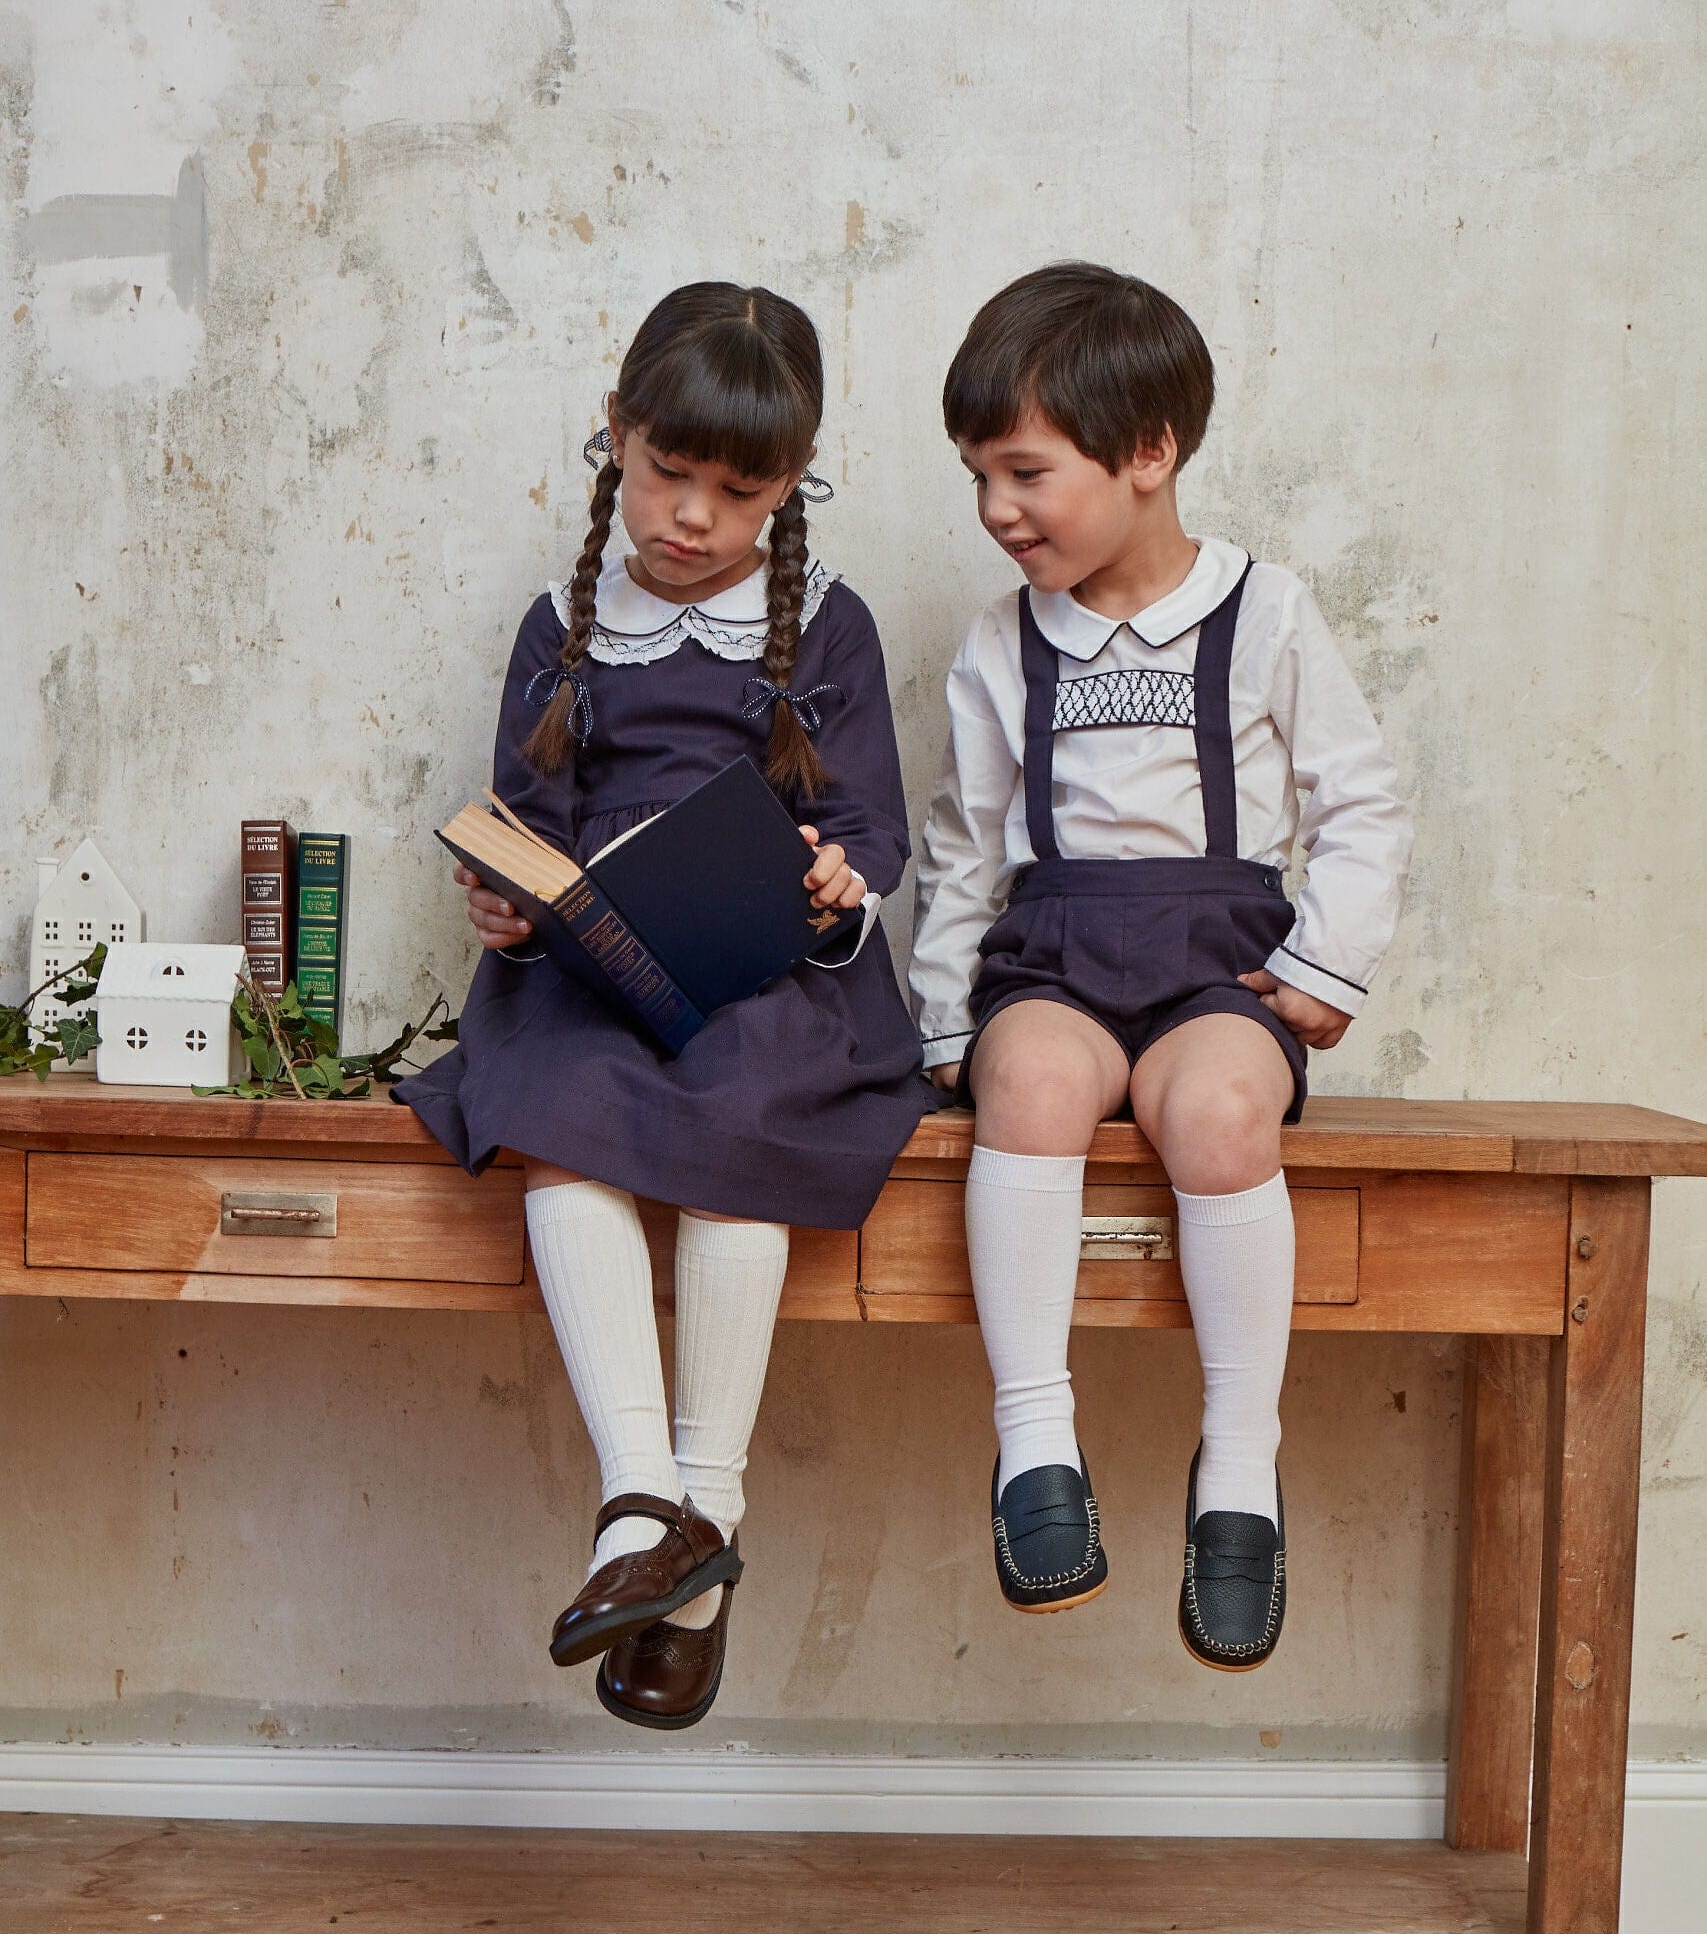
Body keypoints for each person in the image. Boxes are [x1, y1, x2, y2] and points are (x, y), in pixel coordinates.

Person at [398, 282, 931, 1729]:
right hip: (595, 971)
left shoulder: (826, 623)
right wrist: (506, 898)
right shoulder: (562, 625)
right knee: (559, 1111)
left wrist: (833, 879)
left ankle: (696, 1516)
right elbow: (522, 818)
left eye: (735, 491)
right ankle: (652, 1510)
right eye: (664, 474)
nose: (691, 516)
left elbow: (875, 829)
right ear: (612, 438)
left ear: (790, 488)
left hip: (768, 966)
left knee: (743, 1114)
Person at [910, 263, 1412, 1669]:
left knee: (1220, 1116)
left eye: (1024, 472)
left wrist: (1329, 962)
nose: (998, 512)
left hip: (1218, 965)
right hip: (1056, 951)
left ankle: (1240, 1466)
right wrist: (947, 1012)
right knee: (1025, 1084)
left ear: (1148, 455)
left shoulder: (1268, 614)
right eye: (976, 479)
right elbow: (965, 839)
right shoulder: (1006, 642)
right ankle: (1033, 1442)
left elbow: (1361, 803)